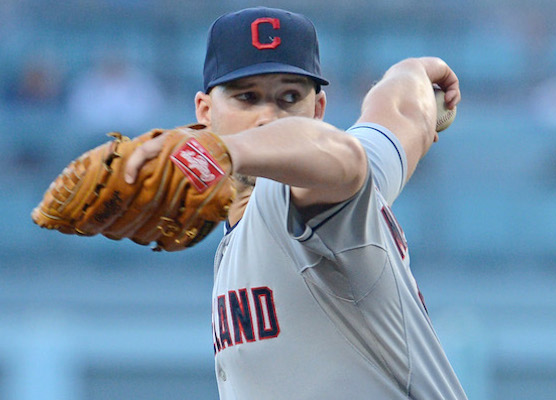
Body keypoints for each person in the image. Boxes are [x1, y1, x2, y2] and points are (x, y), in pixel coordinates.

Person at [125, 7, 465, 399]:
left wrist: (221, 150)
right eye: (246, 97)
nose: (268, 117)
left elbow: (343, 158)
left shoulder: (296, 196)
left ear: (317, 110)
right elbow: (400, 115)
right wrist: (413, 71)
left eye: (289, 97)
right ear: (205, 112)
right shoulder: (346, 184)